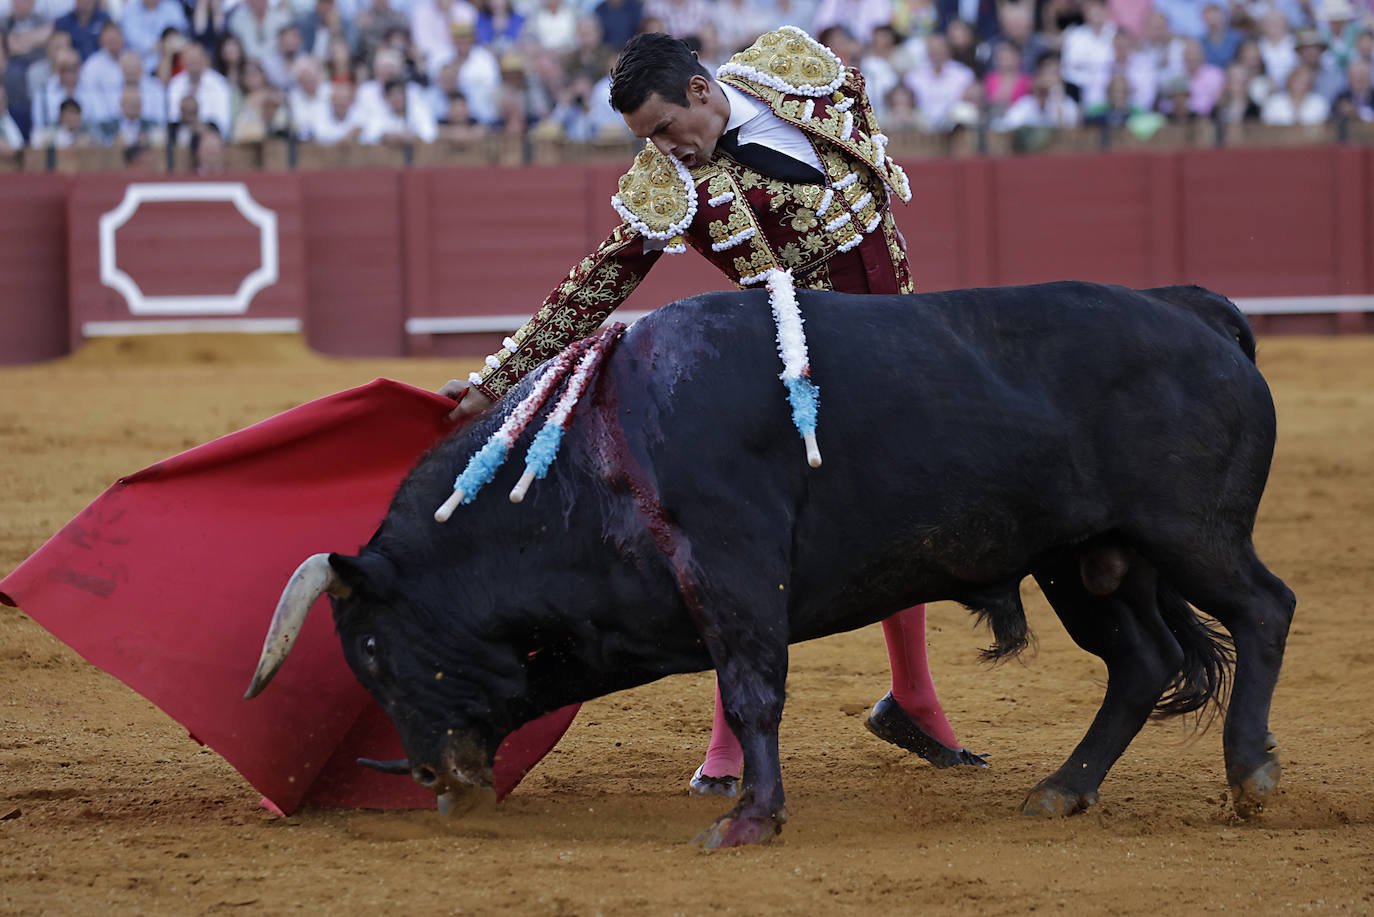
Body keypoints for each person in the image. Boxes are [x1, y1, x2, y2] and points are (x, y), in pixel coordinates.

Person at [441, 28, 983, 798]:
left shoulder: (796, 73)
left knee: (908, 508)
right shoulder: (672, 185)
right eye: (647, 139)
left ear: (701, 90)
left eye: (666, 127)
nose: (664, 149)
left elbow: (862, 139)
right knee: (758, 546)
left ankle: (913, 697)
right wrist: (497, 380)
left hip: (901, 346)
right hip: (805, 371)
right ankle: (729, 744)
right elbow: (599, 280)